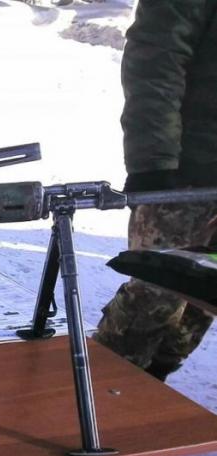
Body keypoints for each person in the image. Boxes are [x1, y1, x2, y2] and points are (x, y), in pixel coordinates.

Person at [93, 0, 217, 381]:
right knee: (156, 293)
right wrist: (154, 163)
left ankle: (149, 391)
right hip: (186, 169)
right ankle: (94, 392)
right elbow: (157, 53)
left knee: (203, 301)